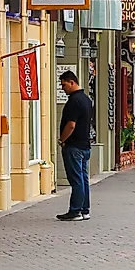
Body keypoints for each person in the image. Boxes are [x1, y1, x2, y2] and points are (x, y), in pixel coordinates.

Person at [55, 71, 94, 221]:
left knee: (76, 179)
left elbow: (71, 125)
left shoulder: (74, 101)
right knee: (83, 178)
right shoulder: (86, 100)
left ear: (72, 82)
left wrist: (62, 139)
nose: (63, 88)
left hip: (74, 146)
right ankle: (85, 209)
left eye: (64, 84)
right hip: (85, 145)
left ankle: (75, 210)